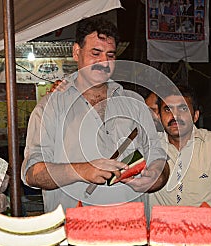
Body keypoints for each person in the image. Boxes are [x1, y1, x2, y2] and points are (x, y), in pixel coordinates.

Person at [21, 17, 169, 213]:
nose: (104, 62)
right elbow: (32, 173)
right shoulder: (50, 106)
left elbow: (160, 160)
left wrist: (155, 178)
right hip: (71, 232)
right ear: (76, 52)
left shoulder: (135, 104)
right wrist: (81, 170)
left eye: (110, 55)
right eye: (95, 53)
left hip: (131, 229)